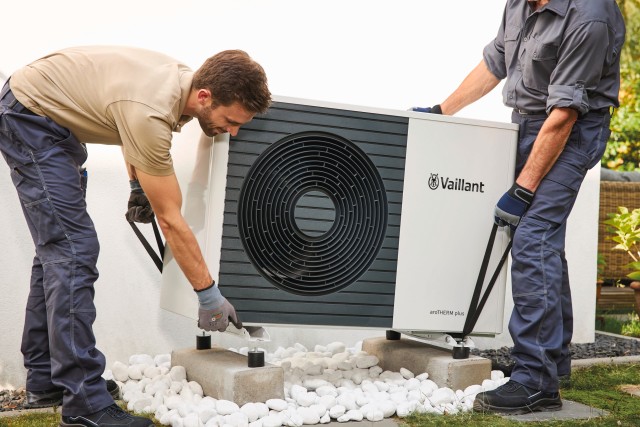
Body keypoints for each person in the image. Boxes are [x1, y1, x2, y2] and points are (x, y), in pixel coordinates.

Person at [0, 46, 271, 426]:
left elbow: (127, 129)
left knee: (56, 250)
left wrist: (136, 185)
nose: (234, 131)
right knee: (73, 250)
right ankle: (84, 405)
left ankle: (46, 380)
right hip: (32, 117)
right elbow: (171, 219)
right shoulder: (152, 108)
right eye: (231, 120)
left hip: (46, 118)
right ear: (205, 97)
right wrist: (208, 296)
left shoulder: (179, 85)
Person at [413, 0, 625, 415]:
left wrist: (524, 190)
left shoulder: (590, 15)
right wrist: (441, 112)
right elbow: (495, 61)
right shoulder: (519, 4)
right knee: (543, 239)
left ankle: (536, 380)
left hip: (573, 130)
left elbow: (564, 113)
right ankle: (554, 359)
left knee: (532, 238)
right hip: (527, 123)